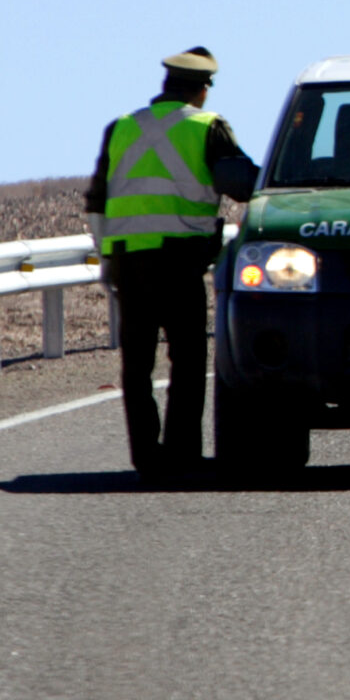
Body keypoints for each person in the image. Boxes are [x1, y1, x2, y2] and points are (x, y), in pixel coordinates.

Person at [85, 47, 258, 480]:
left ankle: (145, 456)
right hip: (179, 259)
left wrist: (107, 256)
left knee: (137, 363)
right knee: (188, 358)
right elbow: (242, 186)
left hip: (128, 260)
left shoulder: (121, 127)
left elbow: (96, 201)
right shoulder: (206, 126)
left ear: (166, 85)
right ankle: (182, 454)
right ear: (202, 90)